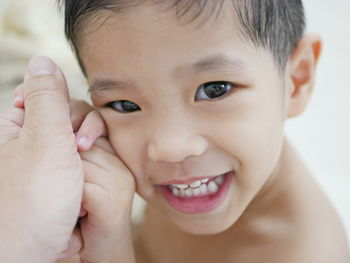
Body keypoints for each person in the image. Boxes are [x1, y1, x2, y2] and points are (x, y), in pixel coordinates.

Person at [1, 0, 349, 262]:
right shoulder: (191, 177)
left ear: (297, 79)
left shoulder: (304, 253)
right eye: (125, 104)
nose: (169, 147)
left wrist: (109, 250)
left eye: (215, 89)